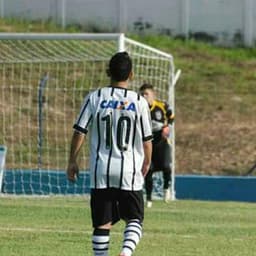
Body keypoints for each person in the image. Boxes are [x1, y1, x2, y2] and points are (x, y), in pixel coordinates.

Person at [67, 52, 152, 256]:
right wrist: (147, 163)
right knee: (134, 218)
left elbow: (80, 131)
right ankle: (126, 251)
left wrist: (72, 161)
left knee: (102, 223)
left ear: (108, 72)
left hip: (100, 169)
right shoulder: (139, 101)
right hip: (129, 170)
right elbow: (147, 140)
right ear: (131, 74)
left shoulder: (94, 97)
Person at [139, 83, 174, 208]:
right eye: (142, 94)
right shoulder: (139, 107)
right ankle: (148, 198)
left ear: (153, 94)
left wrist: (167, 127)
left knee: (166, 166)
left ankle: (166, 189)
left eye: (146, 94)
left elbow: (171, 116)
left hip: (161, 143)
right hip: (147, 144)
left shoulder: (161, 106)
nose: (144, 96)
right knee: (149, 170)